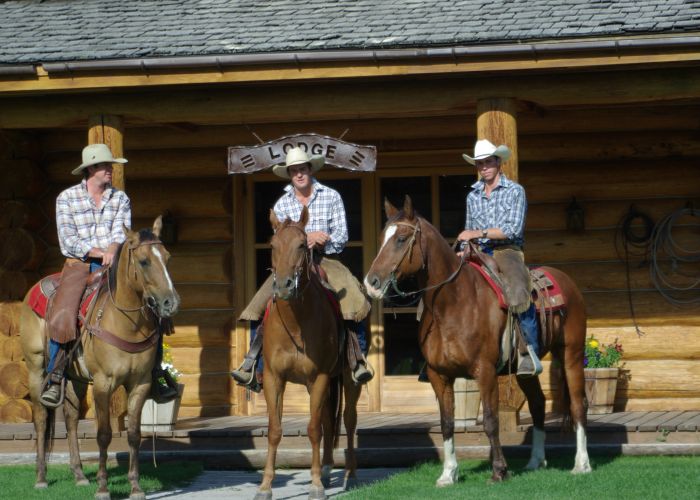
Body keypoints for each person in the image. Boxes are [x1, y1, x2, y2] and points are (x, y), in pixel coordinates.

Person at [39, 143, 178, 407]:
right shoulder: (67, 198)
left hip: (115, 263)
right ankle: (55, 374)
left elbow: (120, 232)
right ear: (92, 168)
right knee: (65, 310)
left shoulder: (120, 199)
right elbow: (67, 238)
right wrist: (94, 251)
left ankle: (156, 372)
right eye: (106, 166)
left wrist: (113, 249)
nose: (111, 171)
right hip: (79, 263)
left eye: (111, 167)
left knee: (153, 308)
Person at [232, 147, 373, 391]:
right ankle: (254, 363)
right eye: (294, 170)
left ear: (310, 170)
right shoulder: (282, 203)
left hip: (324, 258)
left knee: (354, 297)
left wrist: (323, 238)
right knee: (258, 305)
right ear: (289, 174)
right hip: (291, 263)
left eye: (303, 169)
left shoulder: (331, 196)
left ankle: (357, 359)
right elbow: (282, 241)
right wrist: (301, 239)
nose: (299, 174)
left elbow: (342, 236)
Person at [458, 139, 542, 377]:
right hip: (477, 251)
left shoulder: (515, 191)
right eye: (479, 163)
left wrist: (477, 233)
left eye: (488, 162)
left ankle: (529, 352)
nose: (484, 167)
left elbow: (513, 229)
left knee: (517, 286)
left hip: (507, 250)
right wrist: (464, 248)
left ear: (498, 162)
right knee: (450, 281)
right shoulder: (472, 196)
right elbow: (468, 230)